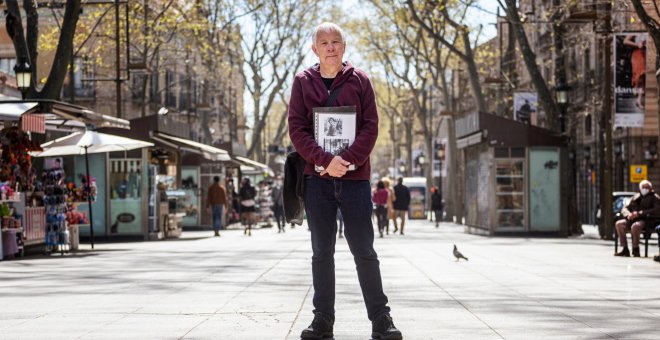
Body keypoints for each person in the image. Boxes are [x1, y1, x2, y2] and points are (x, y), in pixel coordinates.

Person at [288, 22, 401, 340]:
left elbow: (371, 127)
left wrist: (347, 161)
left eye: (336, 41)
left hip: (356, 180)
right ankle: (322, 319)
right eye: (324, 42)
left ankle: (381, 319)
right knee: (321, 251)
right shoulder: (302, 82)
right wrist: (326, 161)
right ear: (314, 49)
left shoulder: (361, 80)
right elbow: (297, 129)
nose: (330, 47)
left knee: (364, 249)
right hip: (317, 180)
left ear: (344, 46)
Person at [614, 180, 660, 257]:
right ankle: (625, 248)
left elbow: (656, 209)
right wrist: (628, 214)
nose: (645, 189)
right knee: (619, 224)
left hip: (646, 220)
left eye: (647, 187)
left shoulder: (655, 198)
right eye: (643, 187)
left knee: (636, 226)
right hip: (632, 219)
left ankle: (636, 249)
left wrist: (639, 213)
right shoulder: (635, 197)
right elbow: (625, 208)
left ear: (650, 188)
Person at [623, 34, 646, 110]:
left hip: (646, 54)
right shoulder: (635, 30)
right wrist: (637, 44)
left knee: (643, 78)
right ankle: (635, 88)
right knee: (640, 73)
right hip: (638, 54)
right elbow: (625, 41)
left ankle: (638, 100)